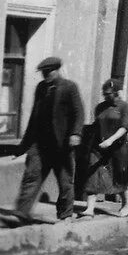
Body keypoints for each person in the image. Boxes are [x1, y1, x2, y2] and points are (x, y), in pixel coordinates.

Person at [9, 56, 85, 224]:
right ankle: (21, 213)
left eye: (48, 72)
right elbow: (34, 118)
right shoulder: (40, 88)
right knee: (31, 177)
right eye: (43, 72)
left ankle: (65, 215)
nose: (45, 75)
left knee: (65, 182)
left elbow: (78, 112)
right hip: (40, 145)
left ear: (57, 70)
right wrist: (23, 147)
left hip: (62, 145)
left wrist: (75, 134)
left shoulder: (69, 87)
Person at [79, 79, 128, 218]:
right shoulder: (100, 107)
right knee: (93, 175)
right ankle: (90, 209)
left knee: (119, 177)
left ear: (116, 93)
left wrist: (111, 140)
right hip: (99, 147)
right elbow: (96, 125)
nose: (106, 96)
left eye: (109, 94)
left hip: (118, 148)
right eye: (105, 93)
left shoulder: (123, 107)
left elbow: (125, 127)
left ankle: (126, 204)